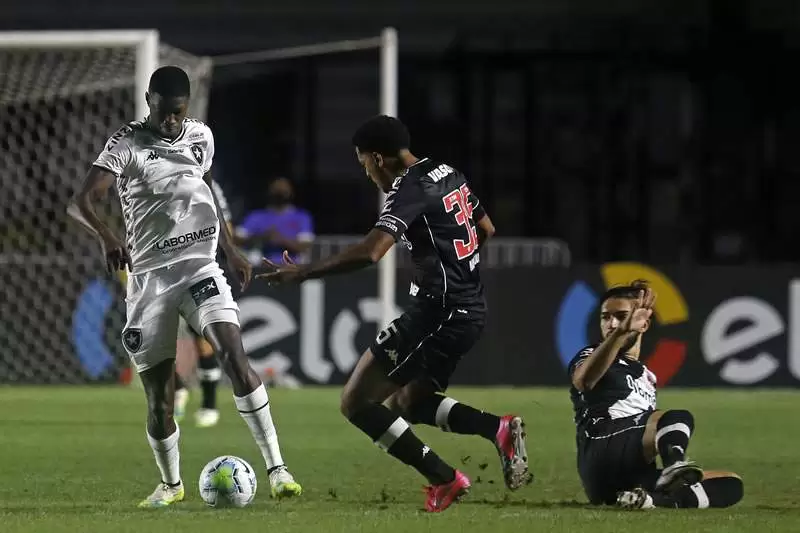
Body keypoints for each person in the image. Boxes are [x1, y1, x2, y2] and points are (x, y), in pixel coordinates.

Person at [257, 115, 531, 513]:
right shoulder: (448, 172)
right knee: (405, 403)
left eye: (363, 164)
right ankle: (498, 429)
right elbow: (486, 228)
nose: (367, 173)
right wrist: (457, 271)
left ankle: (445, 478)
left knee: (355, 401)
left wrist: (303, 272)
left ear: (377, 158)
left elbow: (371, 251)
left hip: (438, 313)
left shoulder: (409, 188)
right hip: (468, 309)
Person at [68, 65, 302, 508]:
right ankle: (171, 484)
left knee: (235, 355)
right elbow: (82, 201)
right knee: (161, 399)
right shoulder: (127, 143)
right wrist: (107, 235)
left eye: (180, 113)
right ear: (149, 101)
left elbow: (207, 186)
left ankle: (278, 470)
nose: (173, 121)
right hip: (151, 280)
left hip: (200, 267)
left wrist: (229, 249)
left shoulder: (200, 136)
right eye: (165, 112)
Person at [567, 280, 743, 509]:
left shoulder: (647, 375)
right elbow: (584, 381)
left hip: (633, 471)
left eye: (621, 316)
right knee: (676, 416)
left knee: (730, 483)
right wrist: (620, 333)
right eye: (605, 317)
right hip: (601, 452)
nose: (612, 323)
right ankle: (674, 465)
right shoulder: (592, 354)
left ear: (643, 324)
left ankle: (648, 500)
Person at [173, 178, 230, 428]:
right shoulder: (151, 173)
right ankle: (177, 387)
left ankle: (209, 404)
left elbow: (226, 225)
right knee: (148, 338)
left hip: (198, 267)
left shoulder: (208, 183)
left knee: (203, 339)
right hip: (158, 266)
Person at [236, 176, 314, 265]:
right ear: (269, 190)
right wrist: (262, 237)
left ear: (291, 191)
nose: (280, 191)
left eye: (284, 189)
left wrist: (280, 239)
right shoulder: (256, 216)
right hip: (259, 268)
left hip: (293, 269)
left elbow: (305, 246)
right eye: (277, 188)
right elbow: (236, 239)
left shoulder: (302, 217)